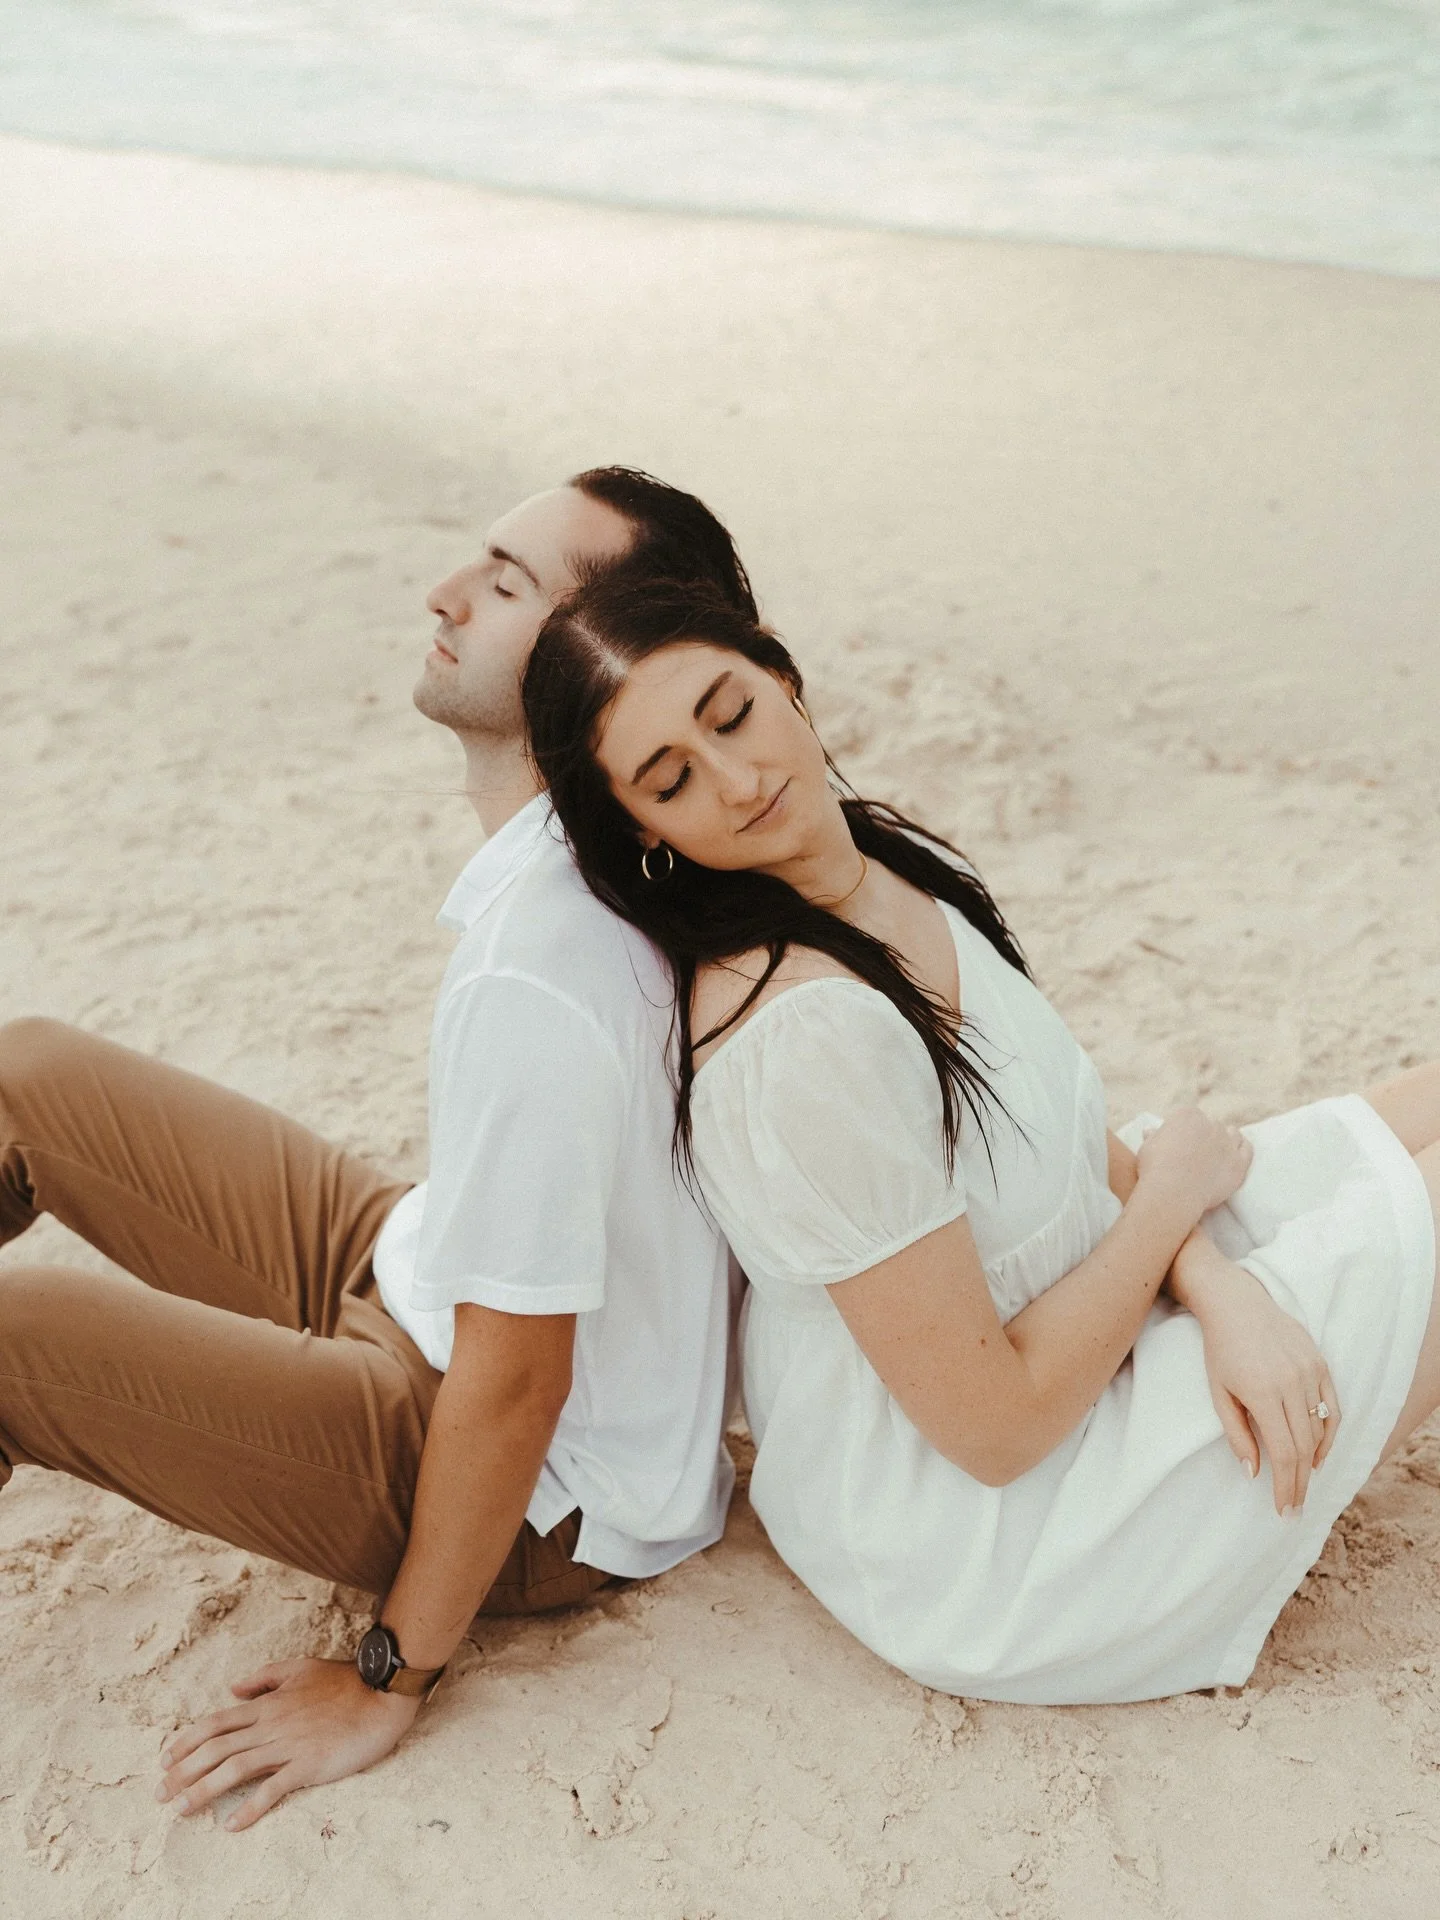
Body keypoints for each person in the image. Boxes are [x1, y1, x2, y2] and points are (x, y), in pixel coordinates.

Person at [523, 574, 1440, 1705]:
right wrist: (1169, 1212)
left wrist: (1223, 1289)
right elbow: (994, 1431)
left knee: (1414, 1112)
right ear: (642, 832)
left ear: (784, 681)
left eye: (732, 714)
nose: (738, 778)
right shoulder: (802, 1037)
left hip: (1072, 1304)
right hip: (1001, 1535)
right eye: (672, 781)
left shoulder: (862, 859)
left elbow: (1051, 1129)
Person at [0, 469, 755, 1828]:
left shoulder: (550, 963)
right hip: (411, 1269)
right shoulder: (592, 864)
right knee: (29, 1074)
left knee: (11, 1333)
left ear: (600, 671)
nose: (446, 593)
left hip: (529, 1488)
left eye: (509, 585)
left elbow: (521, 1384)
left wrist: (386, 1681)